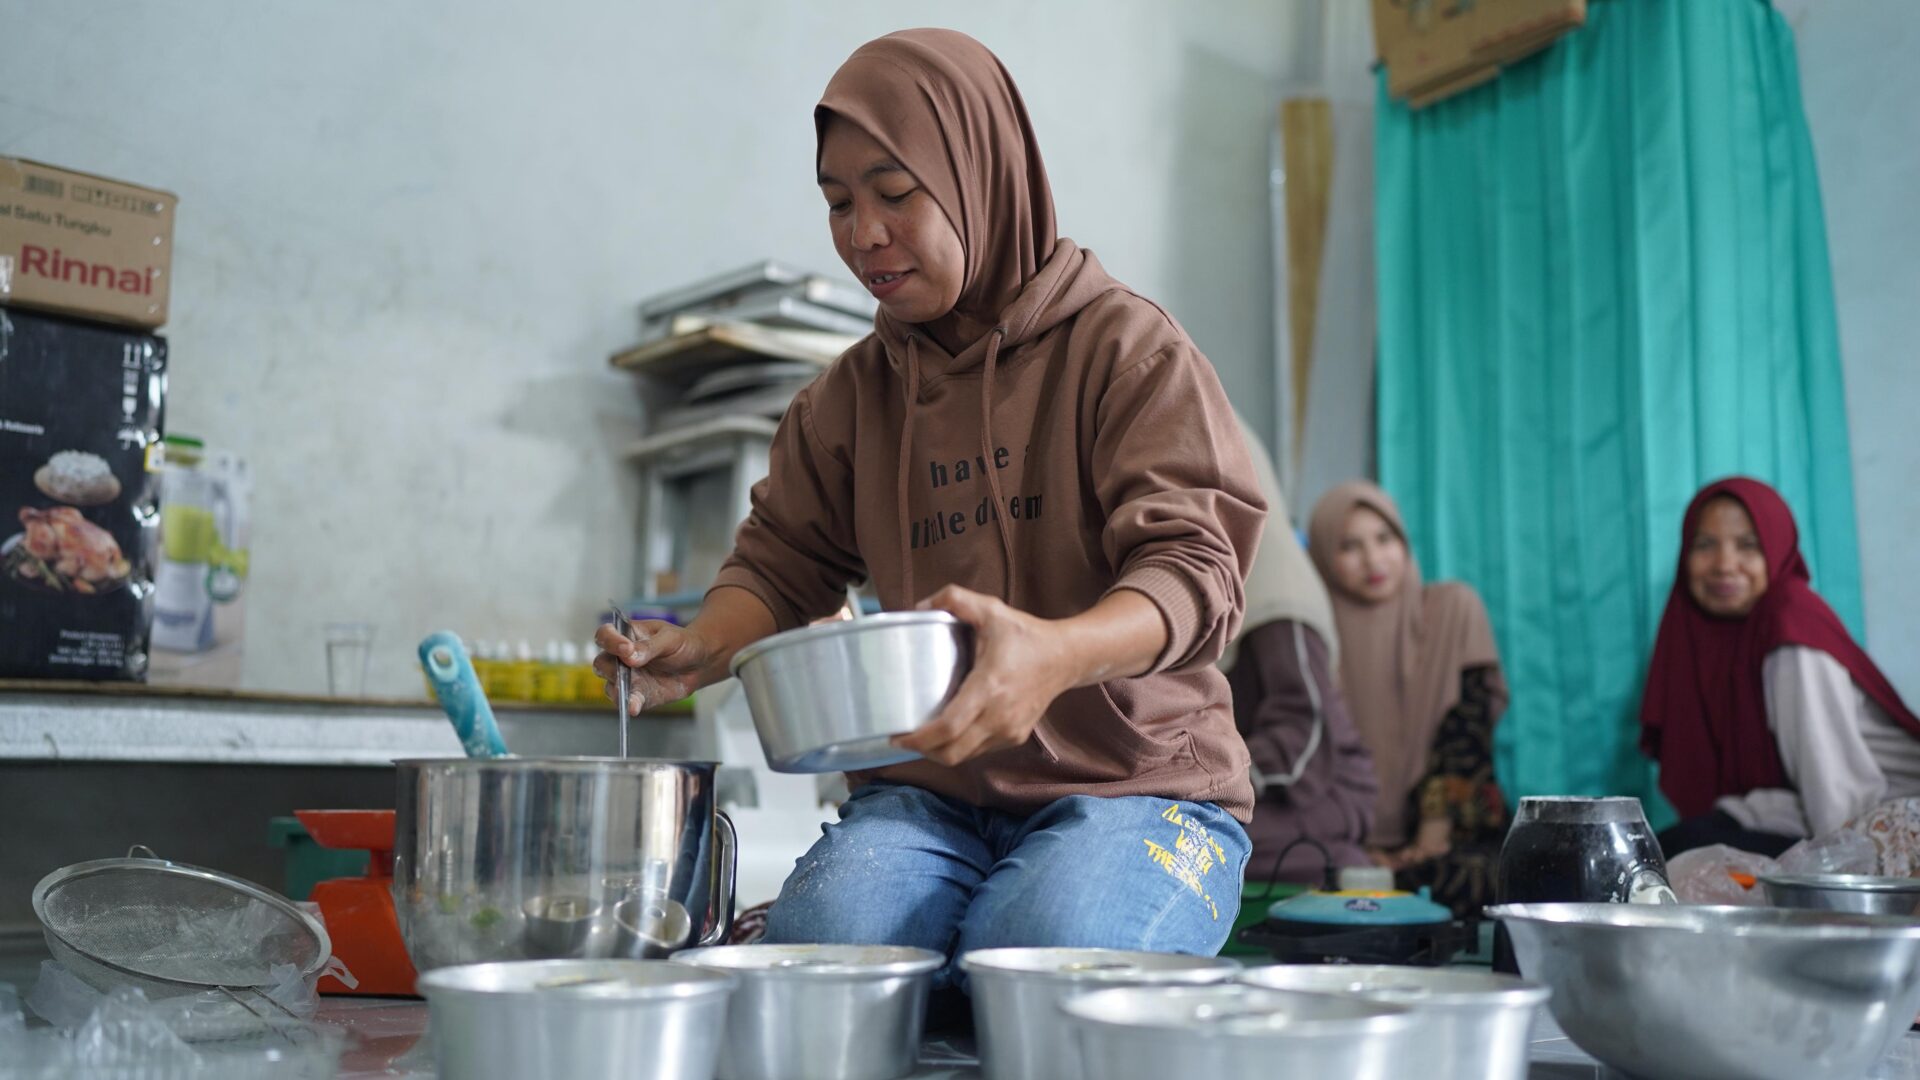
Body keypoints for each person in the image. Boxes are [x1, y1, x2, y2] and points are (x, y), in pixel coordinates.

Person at [595, 29, 1265, 982]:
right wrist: (699, 648)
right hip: (929, 803)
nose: (863, 231)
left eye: (895, 192)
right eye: (837, 201)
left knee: (1035, 955)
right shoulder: (849, 400)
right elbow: (785, 565)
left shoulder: (1127, 352)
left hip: (1142, 789)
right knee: (827, 949)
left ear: (980, 171)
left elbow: (1196, 574)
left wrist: (1054, 655)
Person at [1641, 477, 1920, 857]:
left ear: (1776, 549)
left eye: (1748, 545)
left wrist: (1841, 882)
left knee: (1678, 856)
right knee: (1663, 848)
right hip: (1798, 806)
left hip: (1884, 818)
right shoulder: (1710, 634)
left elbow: (1839, 794)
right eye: (1705, 545)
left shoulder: (1790, 631)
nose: (1724, 565)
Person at [1306, 482, 1509, 916]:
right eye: (1349, 547)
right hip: (1339, 837)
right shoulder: (1310, 636)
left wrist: (1433, 831)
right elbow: (1311, 753)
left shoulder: (1453, 608)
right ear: (1323, 557)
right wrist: (1353, 848)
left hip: (1448, 834)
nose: (1374, 560)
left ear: (1403, 541)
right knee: (1299, 874)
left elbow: (1467, 732)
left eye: (1385, 539)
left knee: (1496, 876)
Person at [1221, 415, 1377, 886]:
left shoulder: (1276, 593)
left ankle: (1338, 864)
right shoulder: (1214, 586)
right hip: (1250, 789)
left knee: (1190, 845)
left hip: (1318, 791)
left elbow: (1301, 741)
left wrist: (1200, 782)